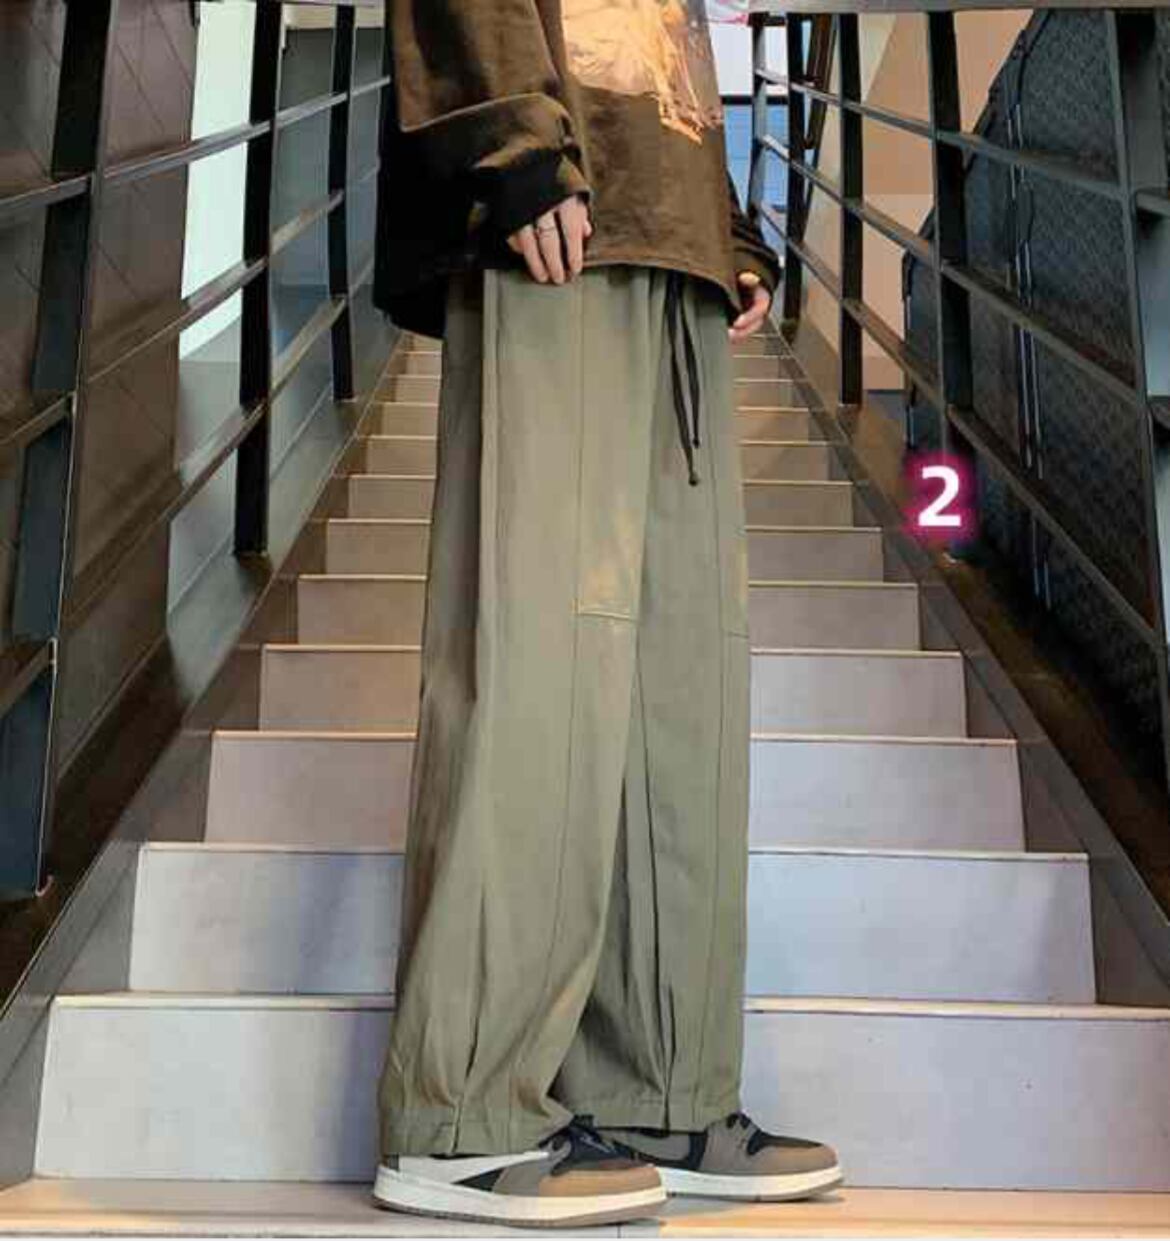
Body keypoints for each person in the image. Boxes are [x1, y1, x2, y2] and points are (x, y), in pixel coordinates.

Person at [369, 0, 843, 1227]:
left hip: (670, 239)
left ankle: (656, 1090)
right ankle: (462, 1113)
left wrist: (727, 227)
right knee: (540, 654)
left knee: (681, 689)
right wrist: (512, 146)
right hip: (550, 210)